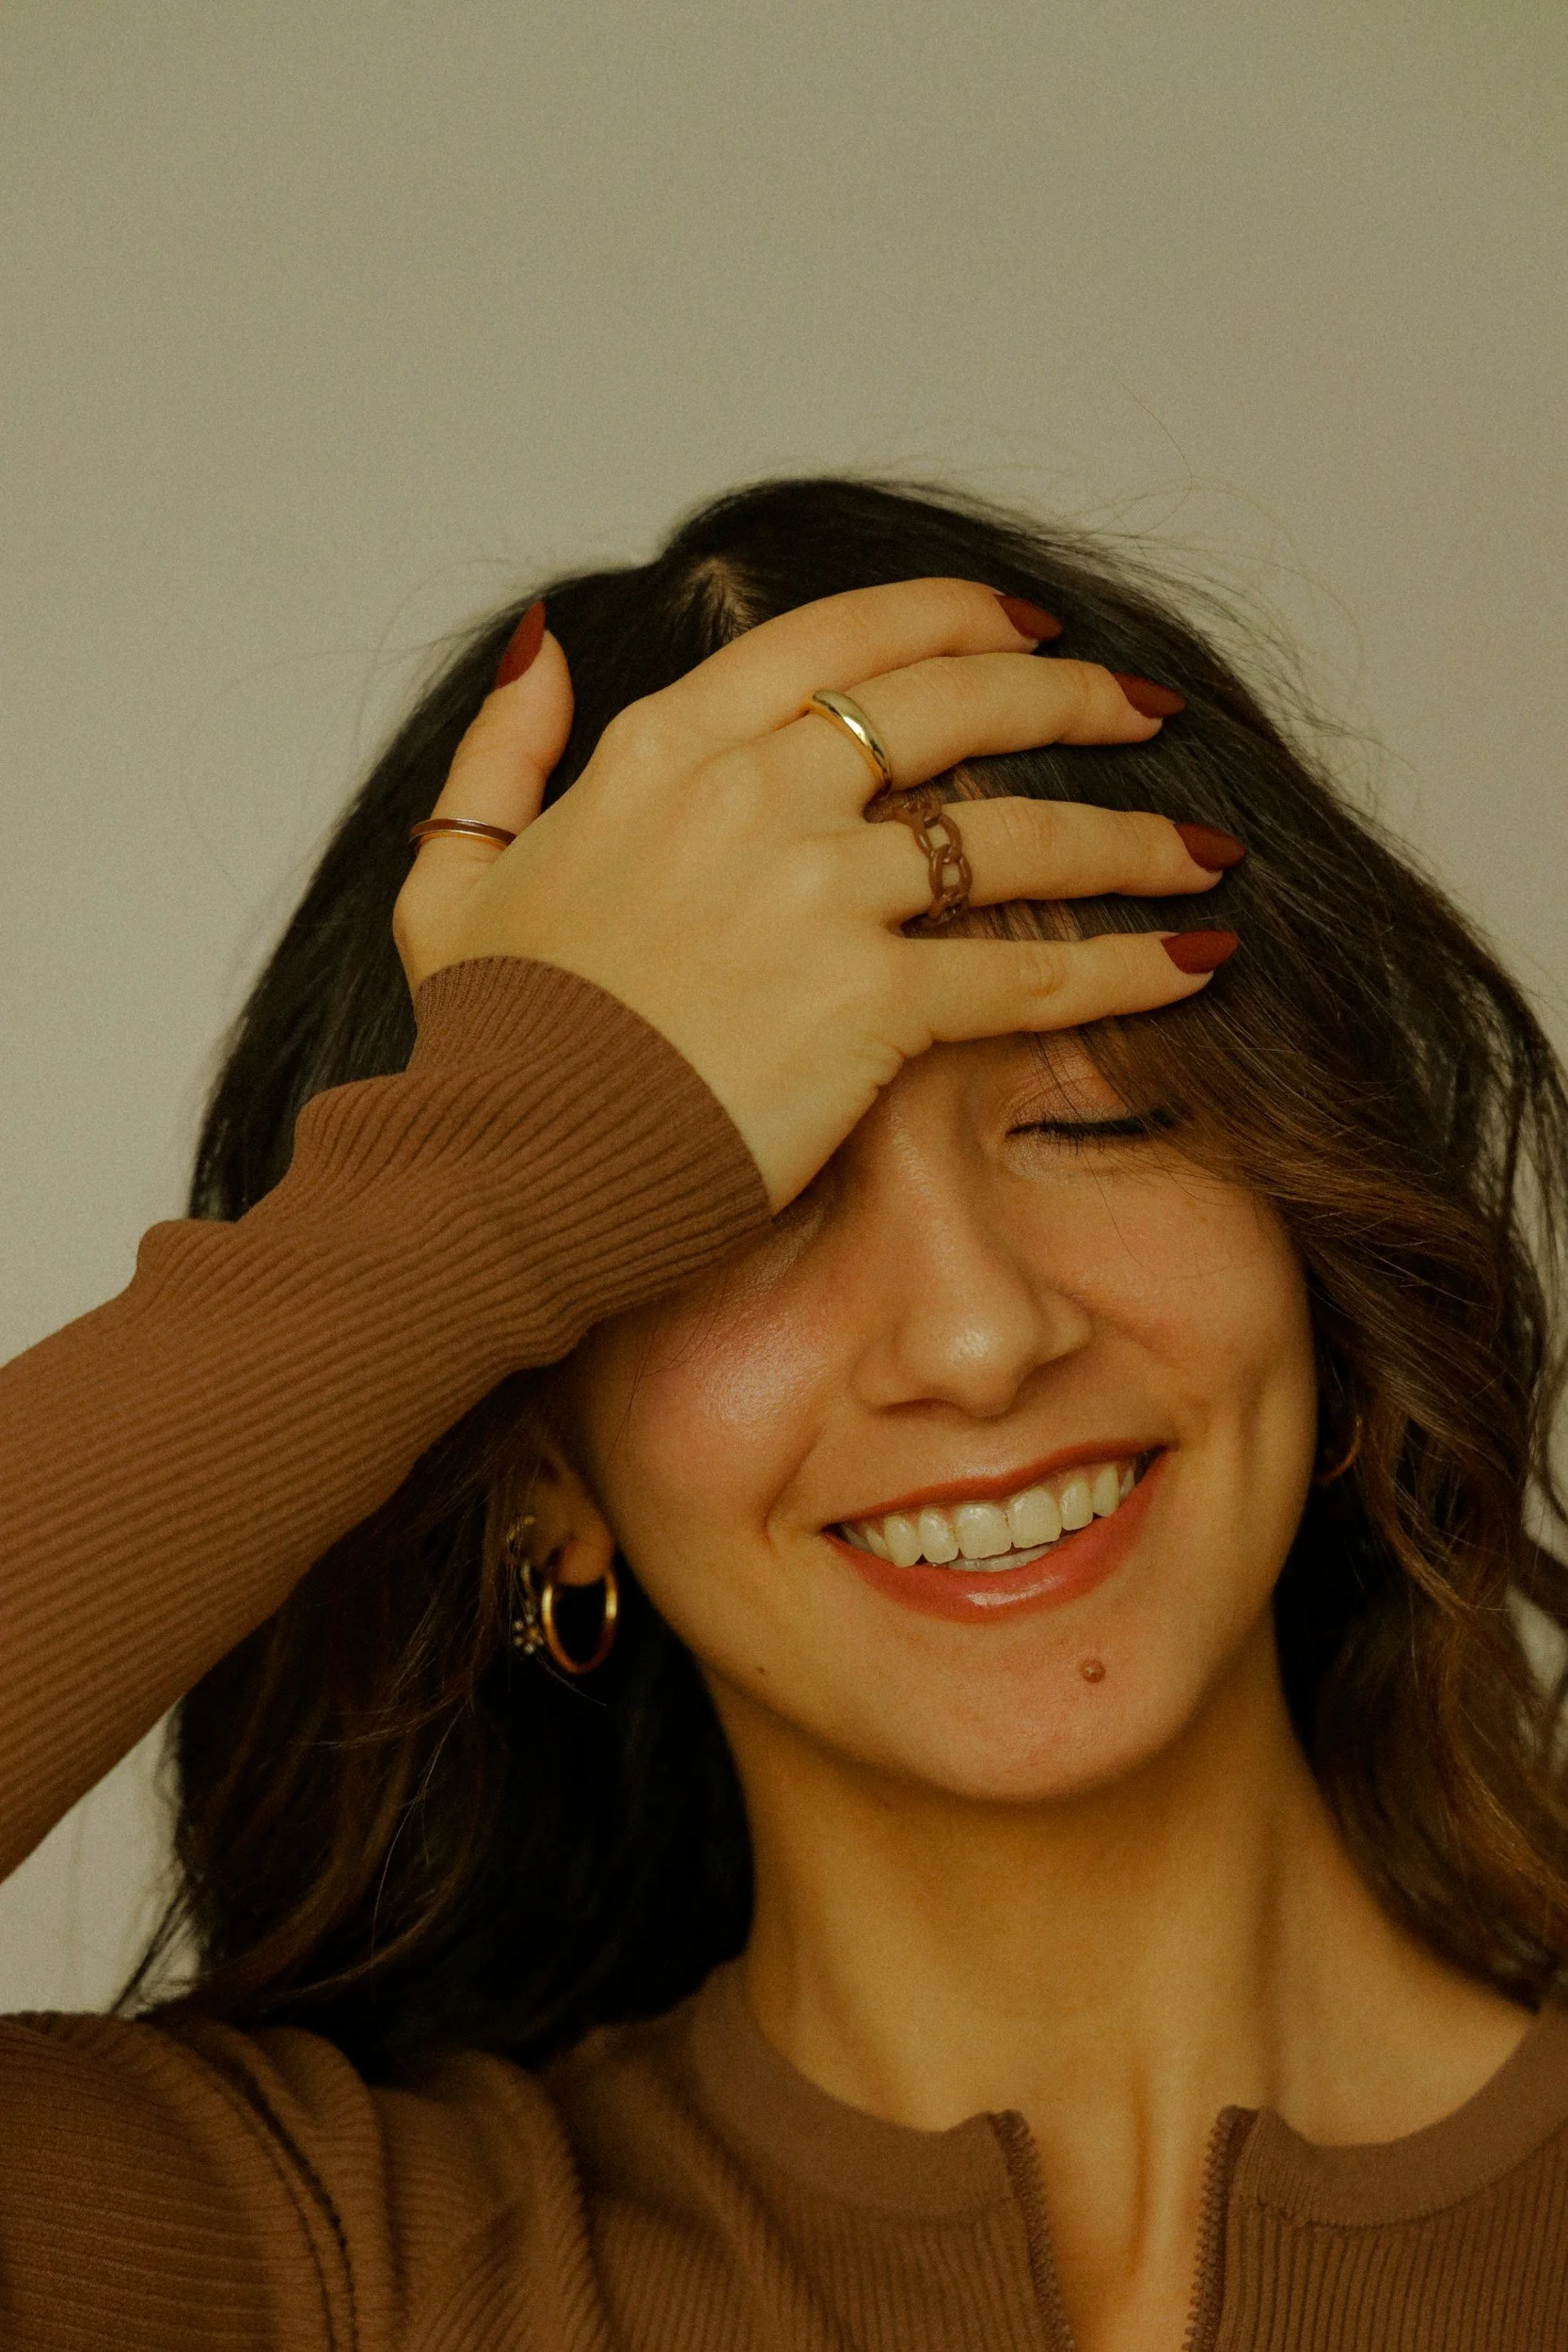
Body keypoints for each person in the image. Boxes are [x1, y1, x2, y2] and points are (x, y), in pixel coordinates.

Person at [1, 476, 1565, 2352]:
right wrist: (487, 1173)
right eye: (729, 1197)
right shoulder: (320, 2266)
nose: (977, 1333)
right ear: (538, 1478)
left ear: (1323, 1262)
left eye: (1095, 1111)